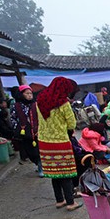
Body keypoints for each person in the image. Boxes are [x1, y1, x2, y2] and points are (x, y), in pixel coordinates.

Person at [36, 76, 82, 211]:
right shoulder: (63, 103)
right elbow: (72, 123)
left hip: (44, 142)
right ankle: (70, 202)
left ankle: (59, 200)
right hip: (60, 141)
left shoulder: (40, 100)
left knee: (54, 172)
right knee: (65, 172)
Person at [11, 85, 43, 176]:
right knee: (30, 152)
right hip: (24, 132)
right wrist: (17, 128)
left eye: (30, 93)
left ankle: (40, 166)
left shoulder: (35, 104)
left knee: (38, 150)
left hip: (37, 131)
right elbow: (13, 118)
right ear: (21, 95)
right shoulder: (16, 106)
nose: (30, 95)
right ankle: (37, 163)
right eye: (27, 93)